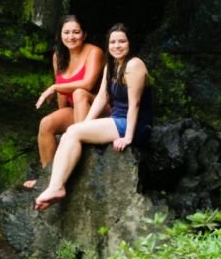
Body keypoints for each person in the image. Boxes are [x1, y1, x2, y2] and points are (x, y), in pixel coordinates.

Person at [33, 24, 149, 212]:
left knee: (73, 133)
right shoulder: (112, 65)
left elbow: (135, 104)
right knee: (73, 131)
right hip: (116, 119)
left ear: (130, 43)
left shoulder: (134, 64)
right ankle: (56, 186)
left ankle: (57, 187)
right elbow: (102, 97)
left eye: (122, 41)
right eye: (112, 42)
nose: (116, 46)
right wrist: (87, 124)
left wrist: (128, 136)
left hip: (132, 124)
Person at [23, 15, 103, 189]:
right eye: (66, 32)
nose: (71, 37)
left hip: (99, 109)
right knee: (47, 123)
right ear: (59, 35)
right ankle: (48, 177)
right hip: (77, 110)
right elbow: (63, 90)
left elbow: (88, 83)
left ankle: (82, 151)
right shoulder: (58, 56)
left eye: (76, 32)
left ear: (84, 34)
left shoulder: (94, 52)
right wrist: (61, 116)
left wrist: (54, 87)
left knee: (80, 93)